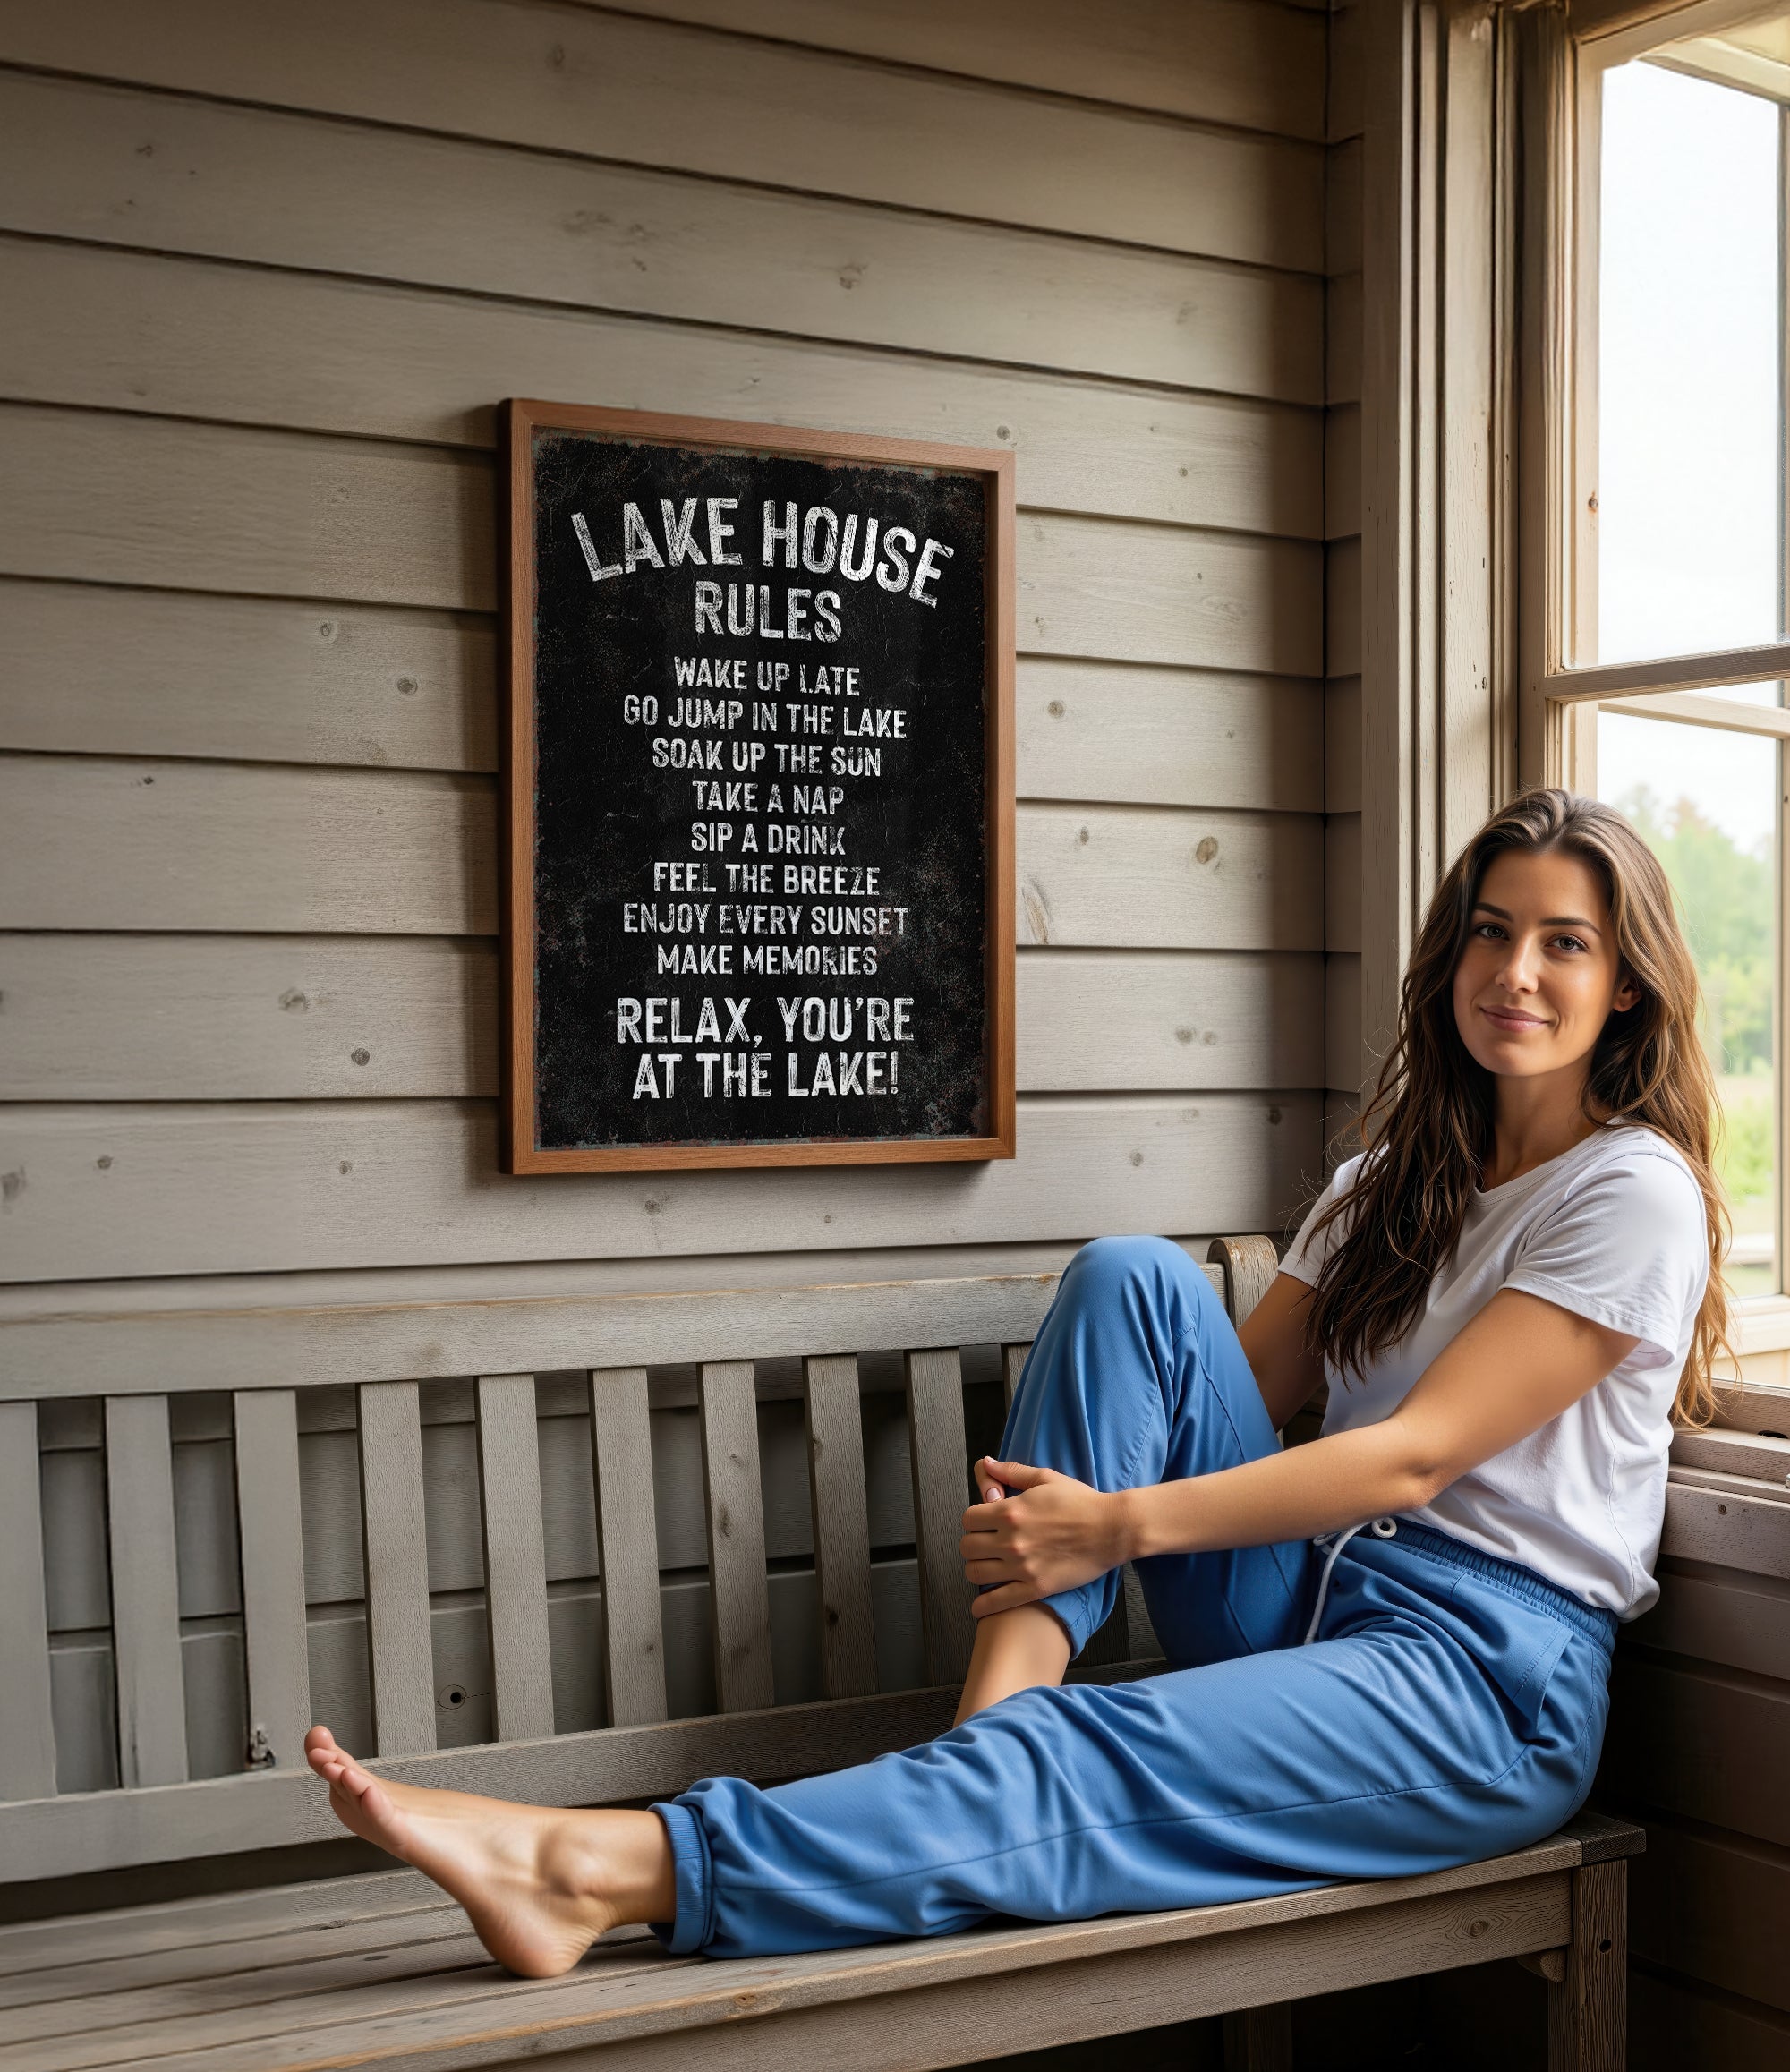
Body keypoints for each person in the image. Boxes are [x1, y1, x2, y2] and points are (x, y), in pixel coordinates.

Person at [306, 787, 1726, 1979]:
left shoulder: (1631, 1194)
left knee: (1098, 1752)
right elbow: (1198, 1399)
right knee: (1134, 1278)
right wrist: (1117, 1518)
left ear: (1627, 983)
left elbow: (1413, 1459)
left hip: (1475, 1675)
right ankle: (985, 1742)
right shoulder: (1387, 1183)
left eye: (1564, 943)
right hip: (1305, 1600)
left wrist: (1113, 1531)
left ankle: (595, 1865)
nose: (1515, 973)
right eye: (1491, 931)